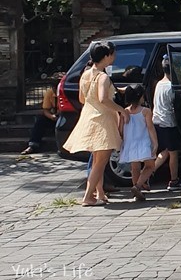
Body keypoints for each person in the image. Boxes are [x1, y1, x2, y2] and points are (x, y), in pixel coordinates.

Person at [61, 41, 130, 206]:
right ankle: (88, 196)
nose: (114, 56)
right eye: (112, 53)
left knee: (98, 159)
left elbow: (81, 99)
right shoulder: (103, 76)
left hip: (88, 117)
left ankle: (99, 193)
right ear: (106, 56)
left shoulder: (85, 74)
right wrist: (122, 110)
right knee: (101, 161)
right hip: (103, 119)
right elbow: (103, 99)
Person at [151, 57, 181, 190]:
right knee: (173, 153)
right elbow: (176, 105)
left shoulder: (158, 84)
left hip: (157, 121)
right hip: (168, 122)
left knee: (165, 151)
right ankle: (174, 181)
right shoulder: (171, 87)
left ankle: (147, 174)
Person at [119, 85, 157, 201]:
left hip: (129, 143)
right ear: (141, 97)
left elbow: (120, 129)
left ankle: (136, 192)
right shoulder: (145, 111)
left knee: (134, 167)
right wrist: (155, 143)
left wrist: (123, 141)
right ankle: (138, 186)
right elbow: (150, 128)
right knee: (150, 166)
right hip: (143, 142)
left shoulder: (124, 112)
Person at [21, 77, 61, 154]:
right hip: (55, 118)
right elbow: (45, 110)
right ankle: (33, 145)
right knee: (40, 120)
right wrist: (51, 117)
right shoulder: (49, 93)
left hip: (66, 117)